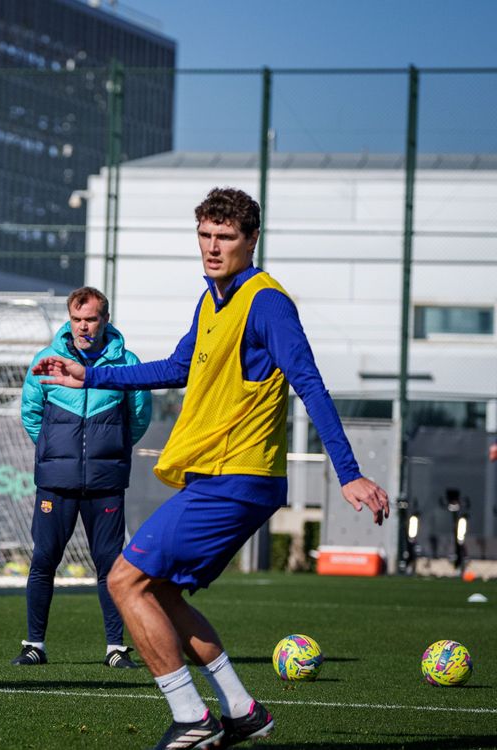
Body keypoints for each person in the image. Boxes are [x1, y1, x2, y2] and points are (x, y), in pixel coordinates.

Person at [34, 187, 389, 749]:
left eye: (226, 236)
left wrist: (349, 473)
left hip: (239, 477)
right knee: (160, 593)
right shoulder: (211, 300)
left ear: (252, 240)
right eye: (205, 235)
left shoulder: (266, 303)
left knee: (124, 580)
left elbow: (310, 384)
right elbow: (179, 366)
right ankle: (242, 711)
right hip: (219, 477)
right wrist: (90, 376)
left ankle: (191, 717)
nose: (213, 247)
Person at [13, 286, 151, 669]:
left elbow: (139, 418)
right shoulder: (47, 361)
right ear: (69, 319)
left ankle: (115, 649)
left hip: (106, 483)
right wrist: (55, 452)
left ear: (105, 320)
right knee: (44, 559)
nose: (83, 326)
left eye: (91, 319)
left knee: (110, 564)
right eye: (77, 319)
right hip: (55, 481)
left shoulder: (127, 364)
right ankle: (34, 645)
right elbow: (31, 415)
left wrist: (109, 450)